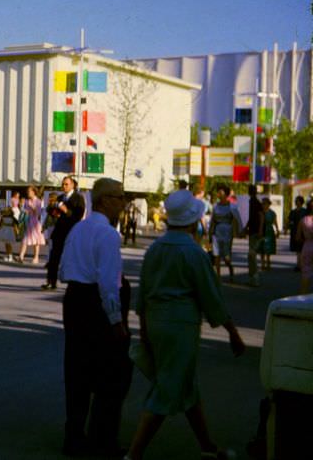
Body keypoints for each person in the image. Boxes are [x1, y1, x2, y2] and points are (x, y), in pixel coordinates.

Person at [124, 189, 245, 460]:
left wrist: (143, 328)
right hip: (181, 325)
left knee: (185, 384)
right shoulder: (194, 253)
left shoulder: (155, 249)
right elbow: (211, 297)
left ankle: (207, 446)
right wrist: (232, 332)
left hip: (155, 321)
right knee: (168, 388)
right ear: (193, 221)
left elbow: (143, 292)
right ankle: (133, 454)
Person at [59, 178, 131, 457]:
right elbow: (108, 281)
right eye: (119, 197)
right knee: (110, 375)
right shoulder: (108, 234)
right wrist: (116, 320)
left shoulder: (79, 229)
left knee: (76, 370)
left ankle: (74, 436)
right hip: (96, 304)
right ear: (104, 200)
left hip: (75, 299)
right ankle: (103, 440)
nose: (123, 203)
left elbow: (65, 267)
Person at [44, 176, 85, 289]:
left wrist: (66, 210)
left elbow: (78, 215)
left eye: (66, 184)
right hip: (59, 231)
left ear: (72, 185)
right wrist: (54, 211)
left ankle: (75, 283)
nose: (64, 186)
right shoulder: (61, 197)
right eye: (63, 184)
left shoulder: (78, 198)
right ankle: (51, 281)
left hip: (72, 231)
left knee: (72, 258)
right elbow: (50, 209)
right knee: (54, 257)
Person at [208, 185, 241, 283]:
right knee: (216, 254)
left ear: (226, 194)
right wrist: (210, 233)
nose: (219, 194)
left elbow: (237, 219)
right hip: (217, 231)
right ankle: (217, 276)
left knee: (226, 256)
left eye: (221, 192)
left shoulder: (232, 206)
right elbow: (212, 220)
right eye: (218, 192)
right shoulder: (215, 206)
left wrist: (237, 232)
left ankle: (230, 269)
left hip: (227, 231)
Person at [243, 184, 264, 287]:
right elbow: (250, 217)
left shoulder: (254, 202)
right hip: (253, 230)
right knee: (251, 255)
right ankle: (252, 277)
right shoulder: (253, 202)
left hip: (255, 231)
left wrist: (260, 230)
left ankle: (255, 277)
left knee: (252, 254)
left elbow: (261, 216)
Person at [17, 186, 45, 264]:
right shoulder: (26, 201)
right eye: (27, 191)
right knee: (25, 239)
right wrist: (24, 210)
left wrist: (32, 208)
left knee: (36, 241)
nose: (28, 193)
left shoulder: (39, 201)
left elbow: (38, 213)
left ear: (33, 192)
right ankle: (21, 256)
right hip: (28, 221)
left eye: (29, 191)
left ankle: (36, 257)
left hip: (36, 223)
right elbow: (25, 210)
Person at [295, 200, 313, 294]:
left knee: (306, 272)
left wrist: (306, 239)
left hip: (307, 246)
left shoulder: (303, 220)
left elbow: (297, 237)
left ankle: (303, 295)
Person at [287, 195, 309, 271]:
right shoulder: (293, 211)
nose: (296, 202)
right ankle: (298, 264)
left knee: (302, 249)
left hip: (303, 232)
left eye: (298, 200)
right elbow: (289, 221)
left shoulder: (305, 211)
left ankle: (301, 265)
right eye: (296, 200)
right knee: (297, 250)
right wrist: (288, 227)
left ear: (301, 202)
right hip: (294, 231)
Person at [258, 198, 279, 271]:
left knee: (268, 247)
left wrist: (277, 230)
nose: (264, 205)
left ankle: (268, 263)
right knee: (262, 248)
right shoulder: (260, 213)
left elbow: (275, 222)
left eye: (265, 203)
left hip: (269, 231)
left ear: (269, 204)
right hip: (261, 230)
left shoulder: (272, 213)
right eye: (263, 203)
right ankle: (263, 264)